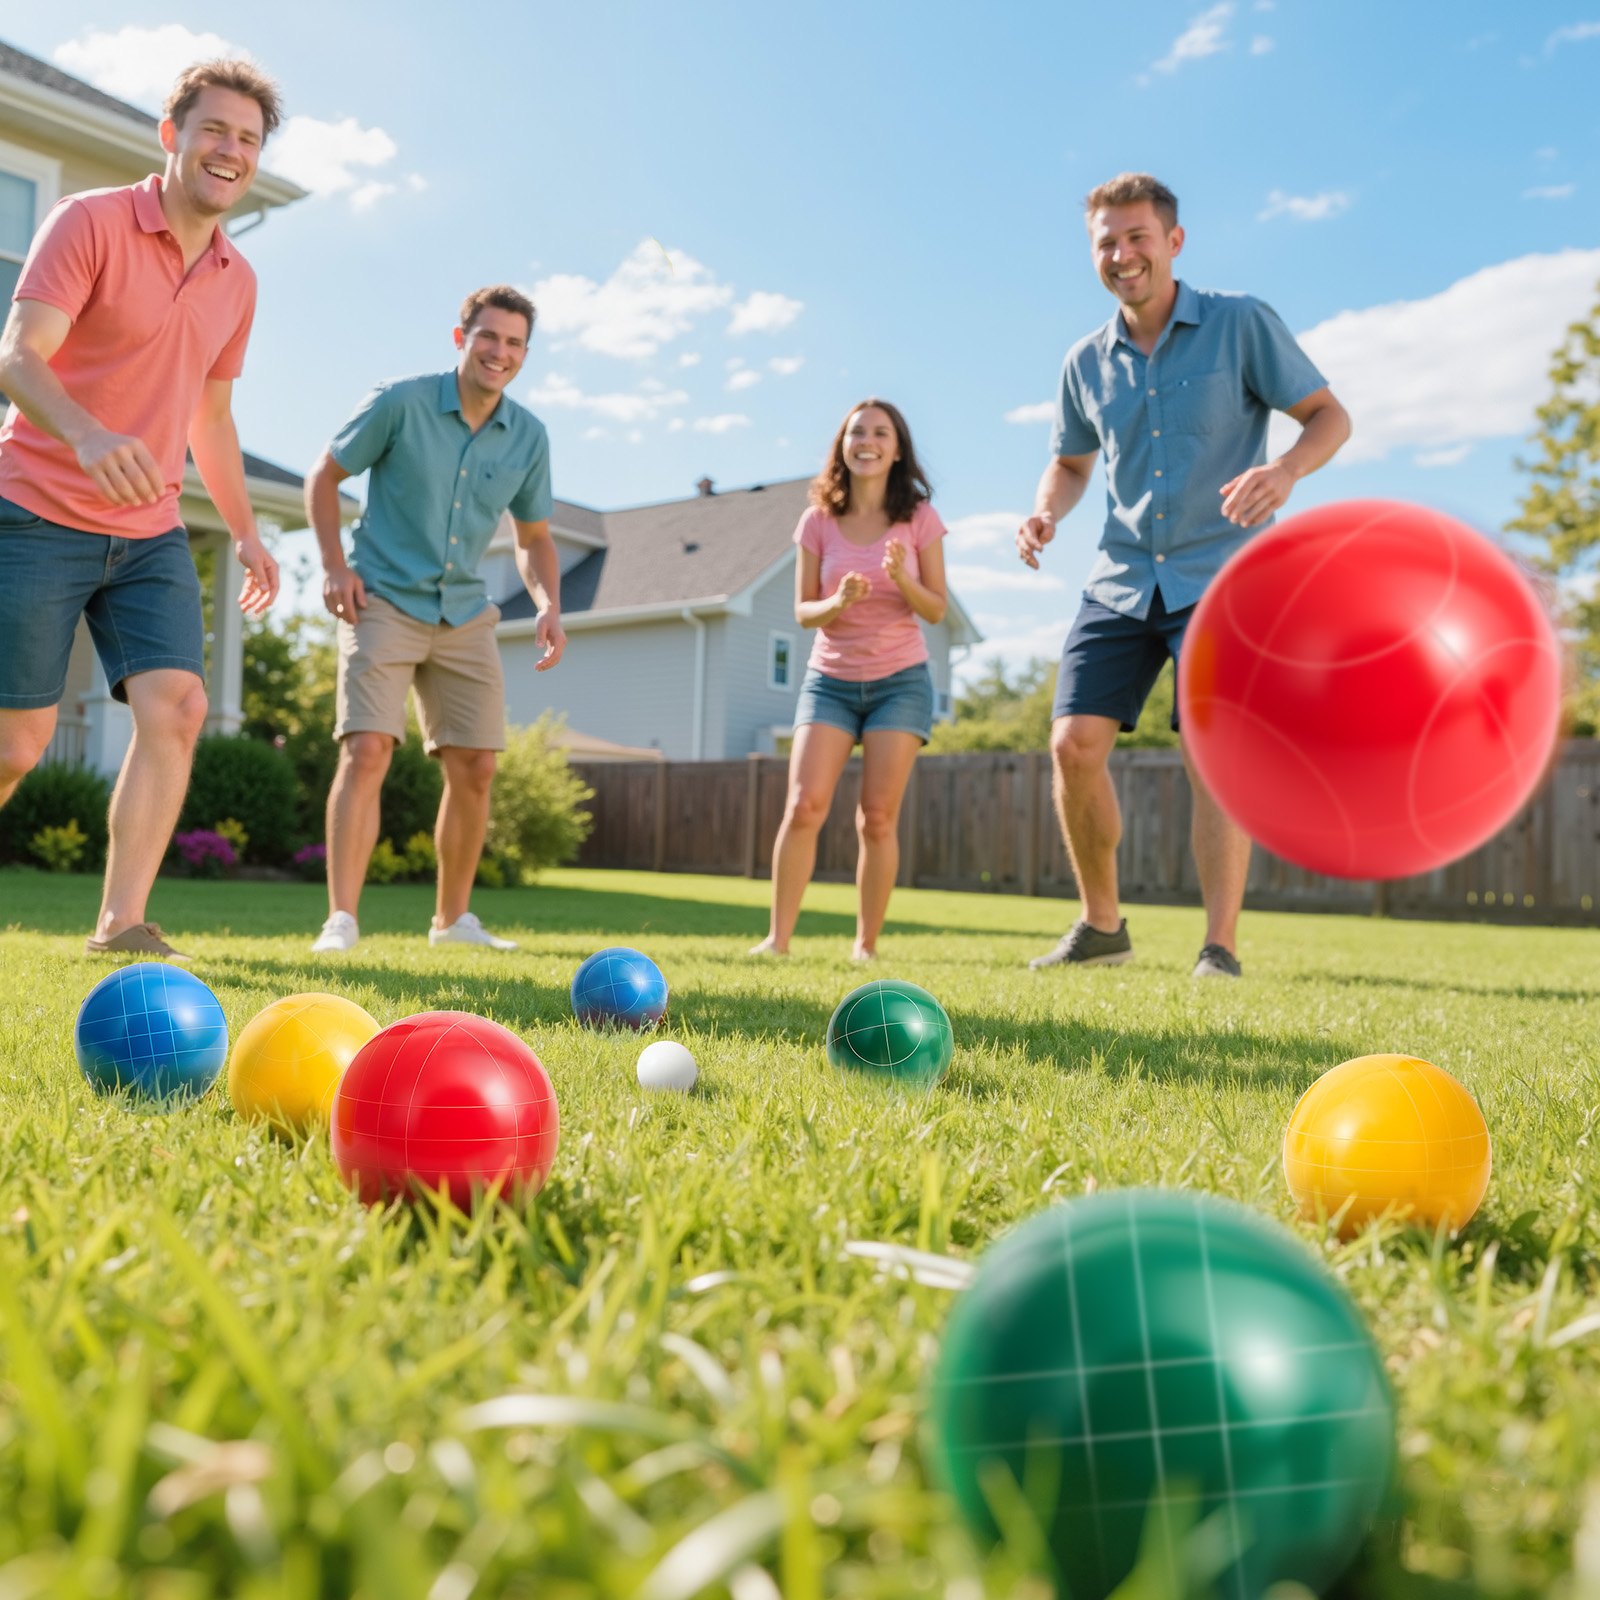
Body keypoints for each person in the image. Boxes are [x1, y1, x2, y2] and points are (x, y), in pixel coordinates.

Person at [1017, 172, 1350, 978]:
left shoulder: (1239, 323)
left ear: (1173, 241)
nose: (1123, 255)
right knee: (1072, 744)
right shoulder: (1084, 362)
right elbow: (1069, 461)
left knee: (1212, 754)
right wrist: (1046, 511)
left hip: (1223, 575)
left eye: (1137, 237)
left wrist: (1287, 472)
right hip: (1122, 576)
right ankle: (1103, 929)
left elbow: (1328, 416)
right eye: (1107, 242)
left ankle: (1219, 947)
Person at [0, 59, 283, 961]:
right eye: (215, 130)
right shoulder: (89, 221)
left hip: (151, 530)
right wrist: (86, 435)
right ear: (173, 136)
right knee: (17, 743)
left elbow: (212, 418)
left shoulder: (237, 279)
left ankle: (121, 926)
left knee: (180, 706)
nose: (230, 150)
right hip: (37, 509)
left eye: (248, 139)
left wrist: (244, 530)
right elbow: (18, 357)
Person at [304, 285, 566, 954]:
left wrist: (547, 604)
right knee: (368, 749)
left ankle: (452, 923)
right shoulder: (401, 402)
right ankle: (342, 920)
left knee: (477, 765)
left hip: (463, 610)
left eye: (513, 343)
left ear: (524, 355)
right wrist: (335, 567)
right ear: (461, 338)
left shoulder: (528, 436)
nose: (498, 352)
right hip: (383, 597)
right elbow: (323, 479)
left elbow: (534, 537)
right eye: (488, 337)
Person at [752, 398, 948, 961]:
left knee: (878, 817)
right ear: (843, 444)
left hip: (900, 681)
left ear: (897, 448)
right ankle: (777, 940)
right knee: (804, 806)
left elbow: (934, 609)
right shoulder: (817, 520)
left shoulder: (919, 518)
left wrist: (898, 580)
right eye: (857, 432)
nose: (868, 440)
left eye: (880, 433)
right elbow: (801, 612)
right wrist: (837, 599)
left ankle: (865, 945)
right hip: (830, 680)